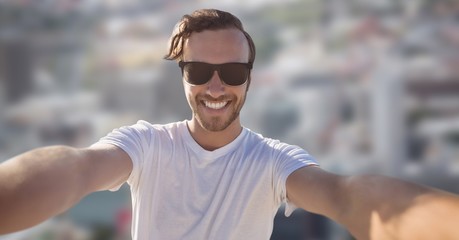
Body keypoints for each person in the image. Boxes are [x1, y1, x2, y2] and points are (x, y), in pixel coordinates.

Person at [0, 8, 458, 240]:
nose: (216, 86)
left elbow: (347, 197)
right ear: (182, 76)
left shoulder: (274, 162)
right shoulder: (146, 145)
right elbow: (76, 169)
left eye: (233, 73)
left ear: (249, 78)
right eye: (199, 72)